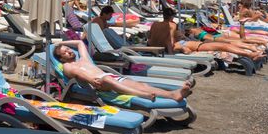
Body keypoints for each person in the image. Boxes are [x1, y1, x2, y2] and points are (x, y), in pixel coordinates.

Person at [52, 39, 194, 100]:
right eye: (64, 52)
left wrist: (59, 43)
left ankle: (173, 94)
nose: (69, 51)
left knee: (142, 85)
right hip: (97, 84)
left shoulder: (83, 58)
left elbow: (79, 42)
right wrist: (91, 79)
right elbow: (77, 73)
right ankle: (142, 95)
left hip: (109, 78)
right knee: (108, 78)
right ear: (61, 59)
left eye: (68, 49)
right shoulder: (67, 66)